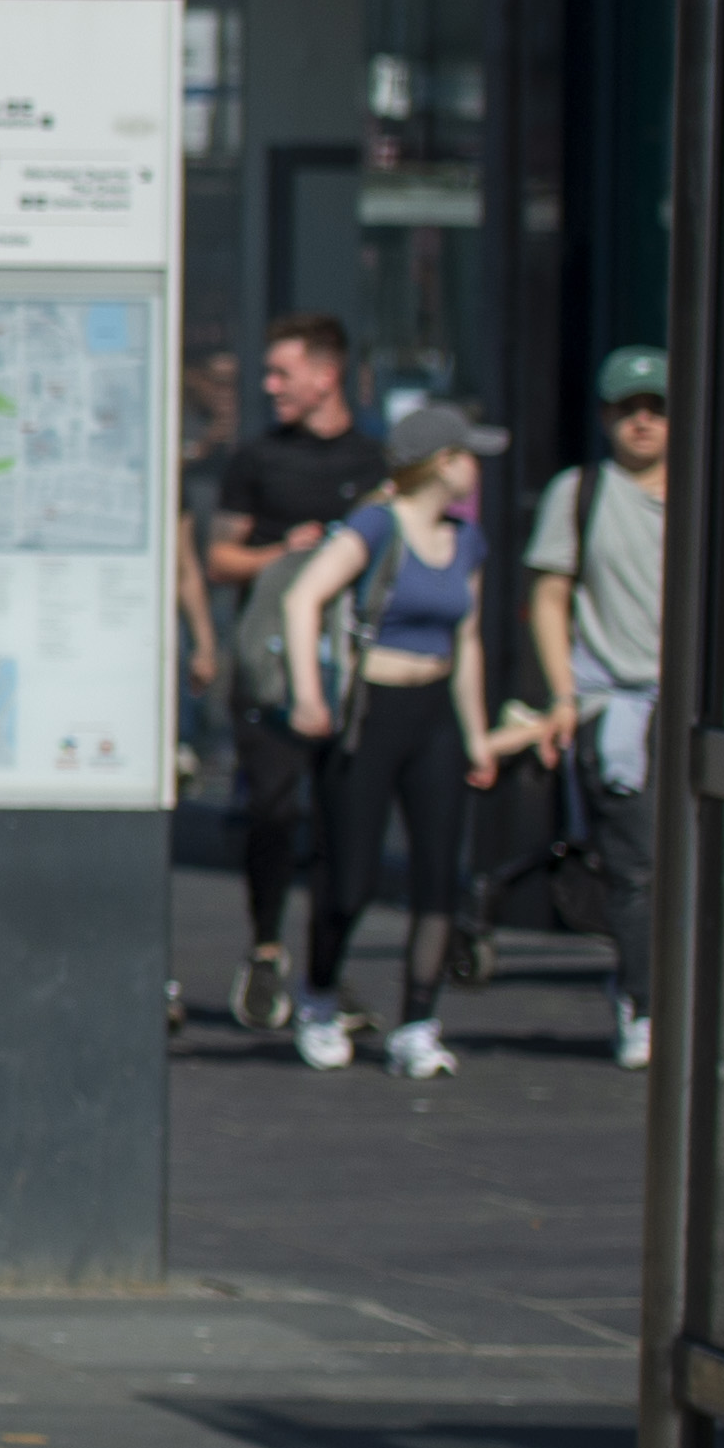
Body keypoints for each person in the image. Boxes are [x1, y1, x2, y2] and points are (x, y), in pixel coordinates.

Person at [277, 400, 514, 1078]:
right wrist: (308, 695)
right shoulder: (376, 526)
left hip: (434, 711)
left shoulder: (466, 540)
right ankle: (319, 996)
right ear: (442, 463)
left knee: (440, 876)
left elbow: (466, 641)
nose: (476, 468)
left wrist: (476, 736)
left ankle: (418, 1021)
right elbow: (303, 599)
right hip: (370, 712)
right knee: (349, 880)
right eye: (469, 456)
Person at [185, 317, 377, 1040]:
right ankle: (266, 946)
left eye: (281, 373)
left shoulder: (373, 462)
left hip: (347, 672)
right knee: (272, 811)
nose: (269, 387)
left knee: (341, 825)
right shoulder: (257, 460)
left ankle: (328, 969)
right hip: (268, 671)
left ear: (325, 377)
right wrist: (283, 553)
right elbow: (219, 561)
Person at [522, 353, 675, 1068]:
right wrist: (562, 695)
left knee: (699, 866)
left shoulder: (717, 496)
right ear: (607, 415)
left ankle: (684, 996)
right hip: (616, 708)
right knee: (636, 864)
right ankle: (642, 1000)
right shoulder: (580, 492)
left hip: (700, 712)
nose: (643, 421)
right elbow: (550, 596)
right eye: (628, 407)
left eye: (658, 406)